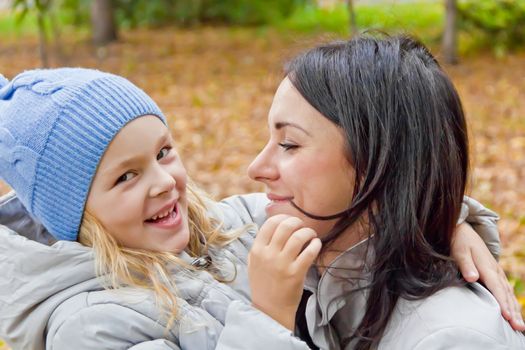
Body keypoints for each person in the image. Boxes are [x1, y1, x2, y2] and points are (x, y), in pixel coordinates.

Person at [0, 66, 520, 350]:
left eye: (163, 152)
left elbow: (353, 202)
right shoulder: (87, 326)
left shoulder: (221, 230)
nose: (164, 183)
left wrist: (444, 222)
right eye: (126, 177)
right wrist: (268, 316)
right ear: (74, 212)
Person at [213, 35, 525, 349]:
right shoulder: (306, 255)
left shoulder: (454, 339)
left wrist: (266, 322)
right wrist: (446, 220)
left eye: (289, 144)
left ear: (377, 162)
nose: (256, 168)